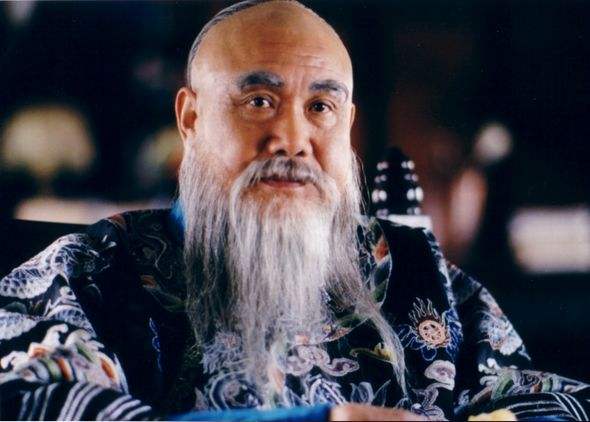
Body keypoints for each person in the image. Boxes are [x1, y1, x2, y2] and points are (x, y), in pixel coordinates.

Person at [1, 1, 588, 420]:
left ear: (348, 125)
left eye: (320, 107)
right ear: (190, 119)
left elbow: (549, 400)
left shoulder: (420, 274)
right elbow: (32, 400)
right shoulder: (93, 270)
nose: (292, 139)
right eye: (259, 101)